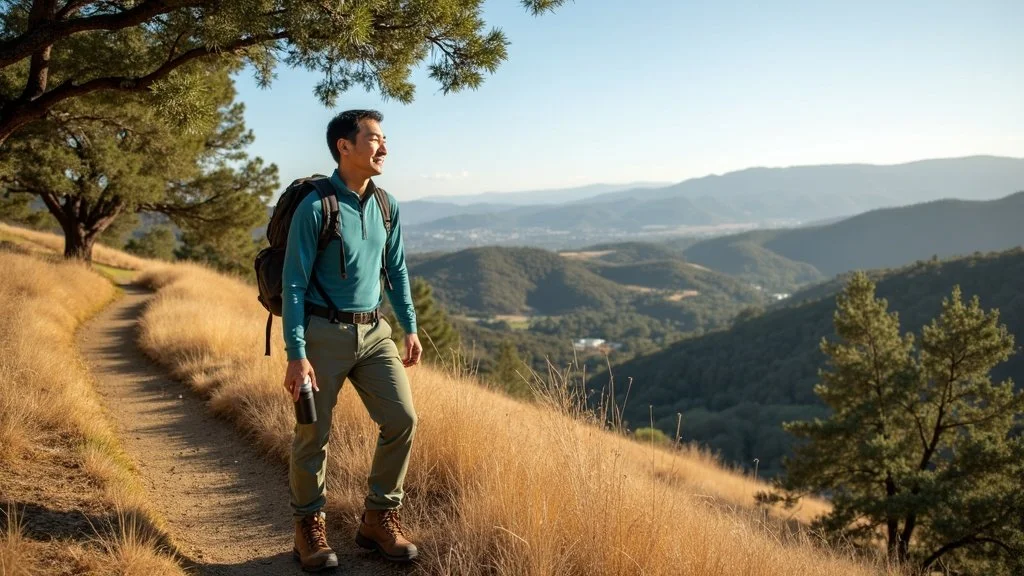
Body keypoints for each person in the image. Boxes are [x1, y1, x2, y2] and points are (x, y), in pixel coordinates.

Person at [281, 109, 422, 572]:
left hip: (375, 332)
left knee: (402, 418)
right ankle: (308, 530)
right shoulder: (315, 206)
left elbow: (396, 270)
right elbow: (295, 285)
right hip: (323, 334)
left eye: (384, 139)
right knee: (313, 435)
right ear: (345, 146)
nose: (384, 148)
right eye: (375, 139)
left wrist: (409, 326)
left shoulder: (387, 204)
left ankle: (379, 518)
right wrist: (296, 355)